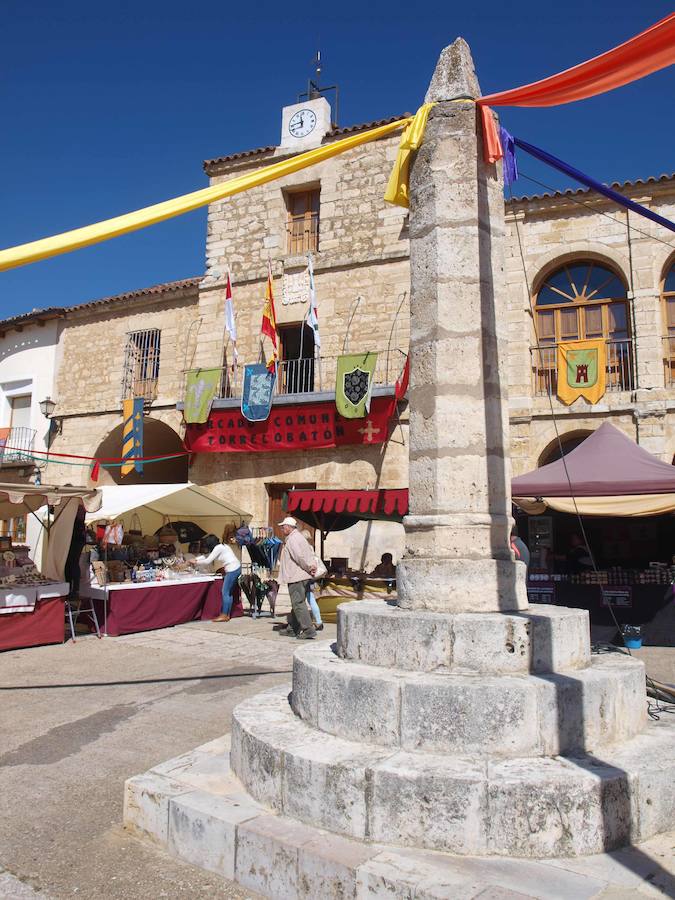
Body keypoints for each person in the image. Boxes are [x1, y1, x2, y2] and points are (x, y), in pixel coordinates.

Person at [277, 517, 317, 640]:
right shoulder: (299, 537)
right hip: (300, 576)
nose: (282, 529)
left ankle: (308, 629)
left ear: (289, 527)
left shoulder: (292, 539)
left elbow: (299, 557)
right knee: (297, 602)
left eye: (283, 527)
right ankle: (293, 629)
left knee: (298, 603)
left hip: (296, 576)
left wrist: (309, 567)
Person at [196, 533, 241, 622]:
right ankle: (227, 614)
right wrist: (196, 559)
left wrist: (196, 562)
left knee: (225, 592)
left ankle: (224, 614)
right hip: (236, 568)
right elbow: (207, 556)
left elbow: (208, 560)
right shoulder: (222, 546)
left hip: (232, 569)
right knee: (229, 593)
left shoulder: (218, 548)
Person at [301, 528, 323, 631]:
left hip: (305, 577)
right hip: (311, 577)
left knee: (300, 601)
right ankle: (318, 621)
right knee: (311, 600)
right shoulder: (310, 548)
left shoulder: (304, 549)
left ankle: (302, 622)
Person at [64, 502, 87, 598]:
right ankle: (70, 588)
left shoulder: (78, 506)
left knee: (72, 563)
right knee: (69, 564)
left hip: (76, 539)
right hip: (74, 538)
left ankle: (74, 589)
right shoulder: (77, 506)